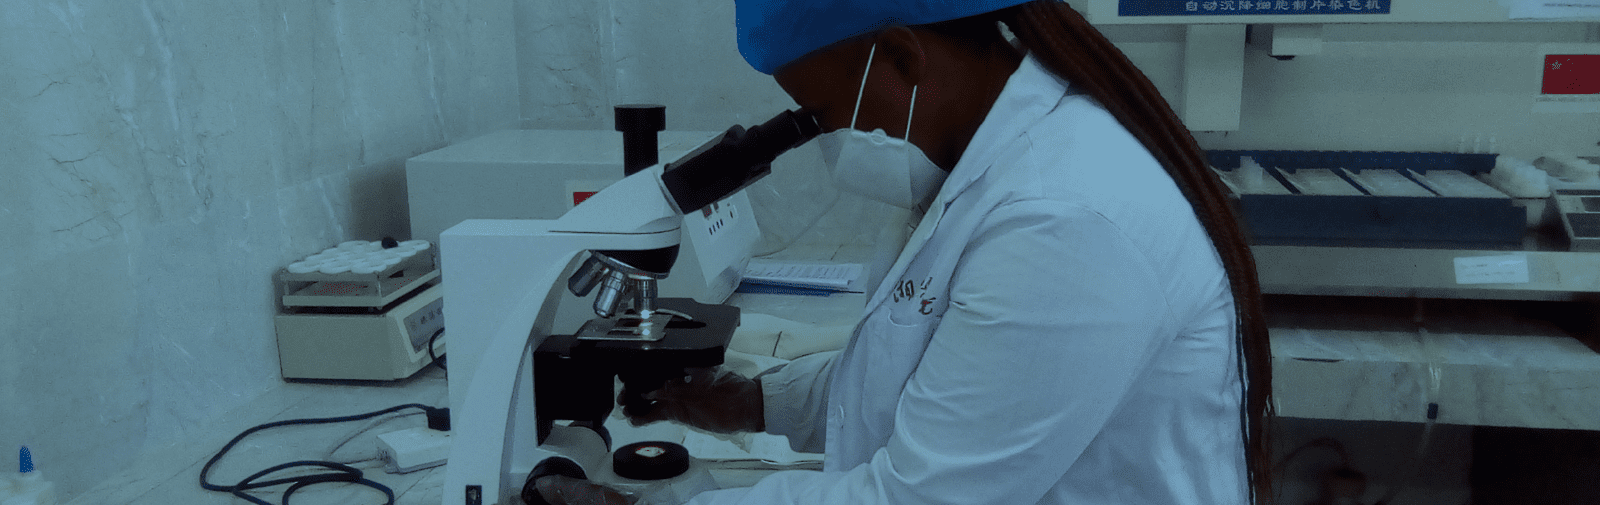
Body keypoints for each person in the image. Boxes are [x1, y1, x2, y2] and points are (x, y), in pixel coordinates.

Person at [529, 1, 1273, 504]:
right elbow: (923, 376)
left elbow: (913, 497)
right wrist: (756, 400)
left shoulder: (1062, 219)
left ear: (902, 58)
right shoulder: (997, 164)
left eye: (820, 115)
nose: (819, 139)